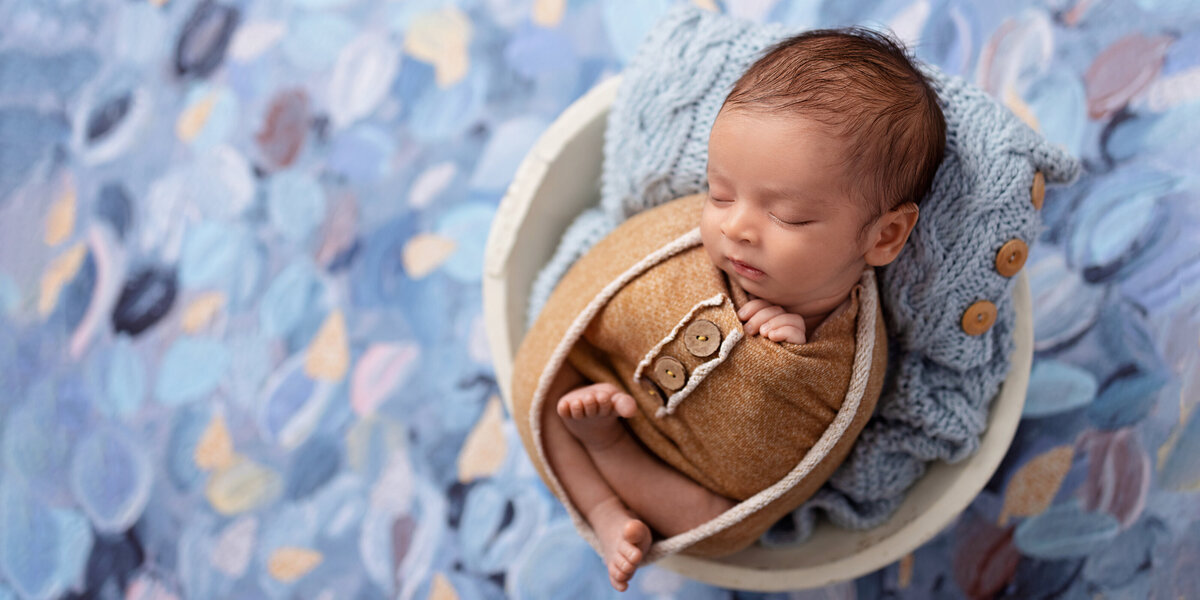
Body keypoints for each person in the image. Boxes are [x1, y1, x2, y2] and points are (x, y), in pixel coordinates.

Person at [535, 28, 946, 591]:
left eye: (789, 217)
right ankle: (605, 511)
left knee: (717, 524)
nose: (736, 228)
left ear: (884, 235)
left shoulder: (841, 350)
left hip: (695, 479)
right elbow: (622, 270)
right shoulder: (696, 243)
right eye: (719, 193)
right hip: (605, 383)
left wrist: (796, 353)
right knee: (547, 392)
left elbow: (809, 421)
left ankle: (608, 458)